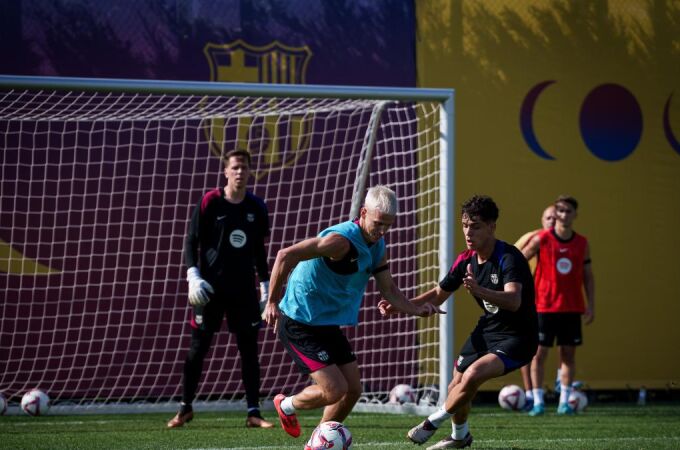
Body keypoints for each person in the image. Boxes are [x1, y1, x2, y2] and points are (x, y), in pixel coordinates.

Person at [263, 185, 443, 439]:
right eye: (378, 223)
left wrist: (417, 309)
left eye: (388, 226)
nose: (382, 231)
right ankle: (285, 405)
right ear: (363, 213)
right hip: (299, 320)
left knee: (354, 389)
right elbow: (285, 255)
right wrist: (271, 301)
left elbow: (389, 290)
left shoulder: (377, 245)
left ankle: (320, 440)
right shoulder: (339, 242)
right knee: (334, 389)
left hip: (325, 323)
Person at [394, 195, 537, 449]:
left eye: (476, 226)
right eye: (464, 225)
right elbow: (438, 294)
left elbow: (514, 300)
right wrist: (402, 305)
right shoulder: (465, 259)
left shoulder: (509, 257)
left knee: (472, 375)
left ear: (492, 227)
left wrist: (480, 290)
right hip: (488, 329)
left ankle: (431, 422)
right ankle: (460, 437)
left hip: (519, 336)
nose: (468, 232)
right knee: (455, 385)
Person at [167, 149, 274, 429]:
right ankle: (185, 408)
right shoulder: (210, 202)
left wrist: (265, 286)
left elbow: (259, 253)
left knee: (249, 350)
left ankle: (254, 412)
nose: (240, 172)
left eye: (244, 168)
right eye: (235, 167)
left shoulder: (257, 208)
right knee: (198, 348)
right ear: (226, 171)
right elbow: (191, 241)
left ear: (250, 172)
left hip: (244, 292)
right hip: (209, 290)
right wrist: (193, 275)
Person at [522, 195, 595, 416]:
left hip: (572, 307)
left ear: (575, 215)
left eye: (567, 211)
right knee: (538, 354)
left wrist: (591, 305)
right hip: (544, 306)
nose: (563, 215)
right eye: (560, 211)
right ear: (556, 213)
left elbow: (588, 276)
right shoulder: (541, 239)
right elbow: (519, 259)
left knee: (568, 356)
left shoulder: (582, 243)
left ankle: (564, 402)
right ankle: (537, 402)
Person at [514, 204, 556, 409]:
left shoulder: (566, 242)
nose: (553, 222)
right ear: (542, 219)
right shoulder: (534, 239)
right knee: (529, 348)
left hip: (551, 303)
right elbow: (515, 259)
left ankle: (557, 387)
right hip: (528, 301)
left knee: (553, 348)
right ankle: (530, 393)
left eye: (555, 218)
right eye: (549, 218)